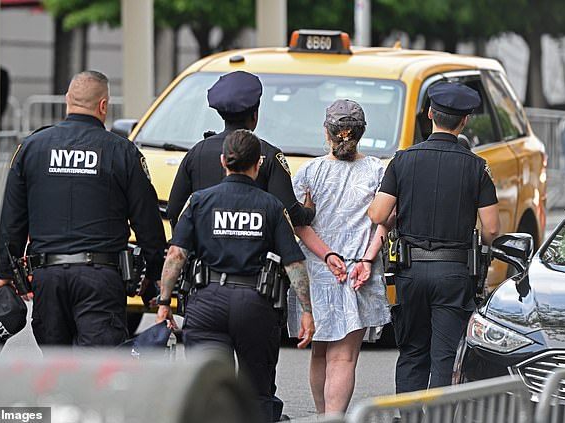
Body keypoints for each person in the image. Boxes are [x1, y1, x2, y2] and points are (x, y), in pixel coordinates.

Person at [0, 70, 166, 348]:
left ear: (67, 100)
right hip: (100, 279)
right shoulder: (122, 151)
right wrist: (156, 274)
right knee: (96, 369)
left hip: (47, 278)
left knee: (57, 366)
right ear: (103, 106)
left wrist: (6, 274)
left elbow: (12, 218)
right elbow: (146, 221)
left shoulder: (31, 148)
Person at [156, 129, 315, 422]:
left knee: (206, 389)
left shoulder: (199, 202)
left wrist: (164, 301)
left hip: (206, 302)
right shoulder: (271, 207)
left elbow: (176, 256)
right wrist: (306, 311)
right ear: (259, 164)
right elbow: (294, 264)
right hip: (255, 304)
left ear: (222, 161)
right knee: (257, 392)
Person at [367, 82, 500, 393]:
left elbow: (377, 214)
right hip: (454, 274)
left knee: (412, 353)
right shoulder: (477, 167)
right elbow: (492, 229)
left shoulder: (402, 160)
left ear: (429, 114)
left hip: (410, 273)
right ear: (464, 121)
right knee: (444, 358)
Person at [287, 99, 390, 414]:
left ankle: (322, 416)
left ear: (327, 132)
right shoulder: (377, 171)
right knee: (343, 357)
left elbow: (297, 223)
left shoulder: (310, 172)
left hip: (318, 270)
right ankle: (335, 419)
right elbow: (385, 222)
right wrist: (368, 259)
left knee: (320, 352)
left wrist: (326, 255)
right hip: (359, 270)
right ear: (361, 134)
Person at [166, 70, 314, 228]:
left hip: (205, 252)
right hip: (256, 251)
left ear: (221, 115)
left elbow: (174, 211)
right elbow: (291, 214)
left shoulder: (197, 152)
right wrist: (309, 210)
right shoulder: (269, 154)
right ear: (254, 115)